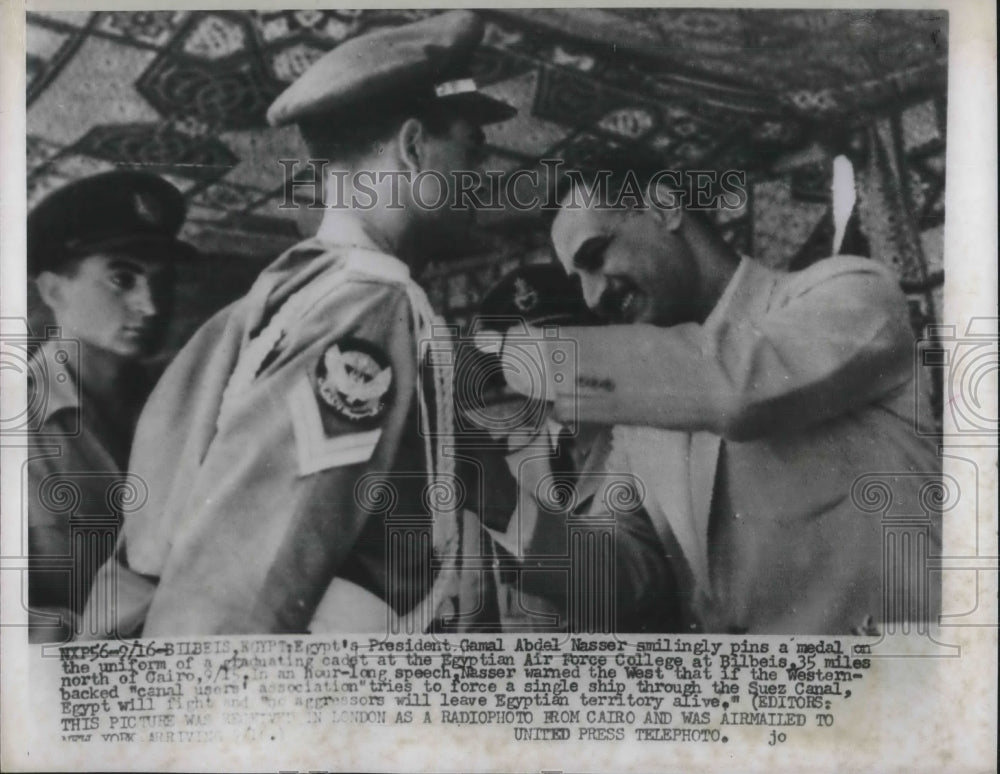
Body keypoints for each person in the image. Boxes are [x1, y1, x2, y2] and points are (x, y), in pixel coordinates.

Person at [81, 11, 516, 638]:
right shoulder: (370, 304)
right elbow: (253, 573)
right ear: (415, 146)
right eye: (472, 151)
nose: (483, 180)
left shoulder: (277, 294)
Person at [494, 167, 941, 634]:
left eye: (595, 255)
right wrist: (497, 500)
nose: (591, 297)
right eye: (578, 279)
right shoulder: (645, 409)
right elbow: (624, 579)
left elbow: (734, 390)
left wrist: (500, 356)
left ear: (664, 206)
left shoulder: (851, 293)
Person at [461, 264, 681, 632]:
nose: (547, 364)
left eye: (561, 342)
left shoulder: (649, 439)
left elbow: (632, 583)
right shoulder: (507, 460)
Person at [26, 170, 192, 642]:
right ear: (54, 291)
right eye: (122, 278)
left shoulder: (188, 403)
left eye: (163, 281)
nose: (152, 306)